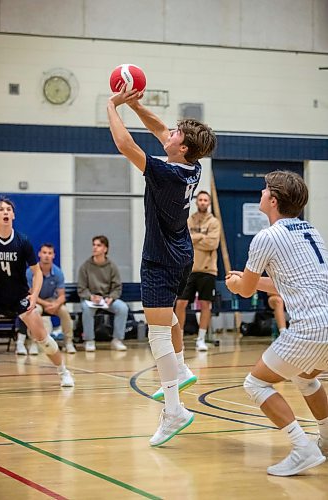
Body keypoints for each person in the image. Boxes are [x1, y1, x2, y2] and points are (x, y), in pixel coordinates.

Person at [107, 86, 216, 446]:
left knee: (157, 333)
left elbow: (126, 147)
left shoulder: (165, 174)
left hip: (160, 259)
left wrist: (113, 106)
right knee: (166, 318)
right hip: (181, 254)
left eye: (175, 134)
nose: (168, 134)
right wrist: (137, 105)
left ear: (182, 147)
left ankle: (174, 410)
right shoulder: (191, 166)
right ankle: (181, 367)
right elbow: (158, 130)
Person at [225, 170, 328, 476]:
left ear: (273, 199)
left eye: (263, 190)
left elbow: (245, 290)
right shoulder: (312, 232)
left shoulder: (266, 237)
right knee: (306, 377)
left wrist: (238, 284)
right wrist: (250, 282)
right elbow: (289, 283)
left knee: (255, 382)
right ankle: (326, 439)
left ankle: (302, 448)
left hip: (309, 329)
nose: (260, 194)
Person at [0, 197, 74, 387]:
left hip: (18, 296)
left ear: (13, 215)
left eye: (8, 210)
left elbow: (37, 272)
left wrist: (34, 295)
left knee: (42, 338)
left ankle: (63, 371)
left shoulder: (22, 241)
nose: (5, 212)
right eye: (0, 209)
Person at [175, 190, 220, 351]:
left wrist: (194, 240)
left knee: (205, 304)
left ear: (209, 203)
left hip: (208, 270)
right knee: (180, 303)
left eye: (205, 200)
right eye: (200, 199)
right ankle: (178, 337)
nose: (202, 202)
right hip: (188, 268)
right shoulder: (189, 220)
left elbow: (213, 244)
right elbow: (183, 241)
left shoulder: (214, 222)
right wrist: (201, 238)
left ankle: (201, 338)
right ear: (196, 202)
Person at [15, 243, 76, 355]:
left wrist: (56, 304)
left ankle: (68, 342)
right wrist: (45, 304)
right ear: (39, 254)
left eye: (49, 253)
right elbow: (30, 293)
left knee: (64, 311)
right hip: (36, 301)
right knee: (33, 311)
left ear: (53, 255)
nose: (47, 256)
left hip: (51, 301)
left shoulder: (58, 273)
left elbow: (62, 295)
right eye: (44, 253)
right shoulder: (30, 272)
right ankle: (34, 343)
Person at [77, 235, 129, 352]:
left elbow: (117, 287)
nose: (95, 248)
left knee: (123, 308)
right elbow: (81, 288)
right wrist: (90, 296)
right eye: (94, 245)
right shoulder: (85, 267)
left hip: (107, 300)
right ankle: (89, 340)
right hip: (91, 299)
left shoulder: (112, 267)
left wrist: (111, 298)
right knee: (86, 308)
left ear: (105, 249)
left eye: (98, 245)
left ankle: (117, 340)